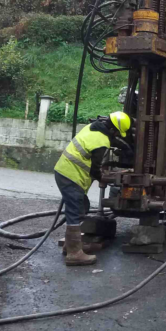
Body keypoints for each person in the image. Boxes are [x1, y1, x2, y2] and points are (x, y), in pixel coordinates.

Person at [53, 111, 131, 266]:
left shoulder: (93, 128)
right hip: (71, 175)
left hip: (64, 171)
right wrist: (103, 177)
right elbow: (95, 170)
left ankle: (70, 246)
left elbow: (110, 141)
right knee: (75, 211)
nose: (116, 135)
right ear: (113, 130)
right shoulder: (101, 142)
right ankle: (74, 254)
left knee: (81, 207)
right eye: (116, 133)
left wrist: (125, 146)